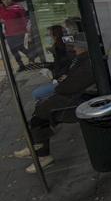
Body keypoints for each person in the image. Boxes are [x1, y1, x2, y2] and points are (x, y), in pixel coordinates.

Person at [13, 34, 95, 173]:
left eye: (76, 46)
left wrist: (59, 84)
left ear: (83, 47)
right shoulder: (82, 59)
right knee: (40, 111)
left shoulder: (86, 62)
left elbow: (71, 85)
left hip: (79, 100)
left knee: (41, 112)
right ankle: (37, 146)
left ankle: (41, 151)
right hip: (74, 95)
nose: (73, 48)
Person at [31, 25, 74, 101]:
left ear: (56, 36)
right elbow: (59, 64)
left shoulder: (61, 49)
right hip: (63, 78)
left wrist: (54, 77)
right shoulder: (61, 46)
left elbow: (63, 66)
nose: (49, 37)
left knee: (35, 93)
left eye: (49, 35)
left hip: (64, 81)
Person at [0, 0, 36, 71]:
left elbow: (25, 19)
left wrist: (26, 30)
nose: (6, 1)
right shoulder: (1, 8)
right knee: (13, 50)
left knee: (19, 47)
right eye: (3, 0)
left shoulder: (18, 7)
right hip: (9, 33)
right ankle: (22, 64)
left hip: (19, 31)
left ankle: (31, 56)